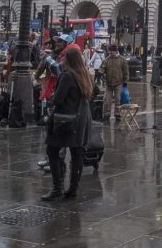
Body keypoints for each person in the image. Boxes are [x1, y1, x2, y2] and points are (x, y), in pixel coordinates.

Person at [41, 46, 94, 201]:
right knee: (77, 153)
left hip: (66, 120)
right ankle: (72, 189)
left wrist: (50, 99)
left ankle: (57, 187)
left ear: (68, 60)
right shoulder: (85, 75)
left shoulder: (68, 76)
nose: (62, 60)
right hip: (82, 120)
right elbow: (94, 92)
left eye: (64, 57)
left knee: (52, 150)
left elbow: (57, 99)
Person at [101, 45, 128, 122]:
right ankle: (106, 114)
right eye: (109, 51)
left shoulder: (122, 59)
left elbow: (126, 71)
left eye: (111, 51)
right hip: (109, 83)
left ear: (116, 51)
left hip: (118, 83)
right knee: (107, 100)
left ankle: (118, 114)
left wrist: (125, 81)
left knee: (117, 100)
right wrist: (101, 72)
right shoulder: (107, 59)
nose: (110, 53)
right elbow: (102, 67)